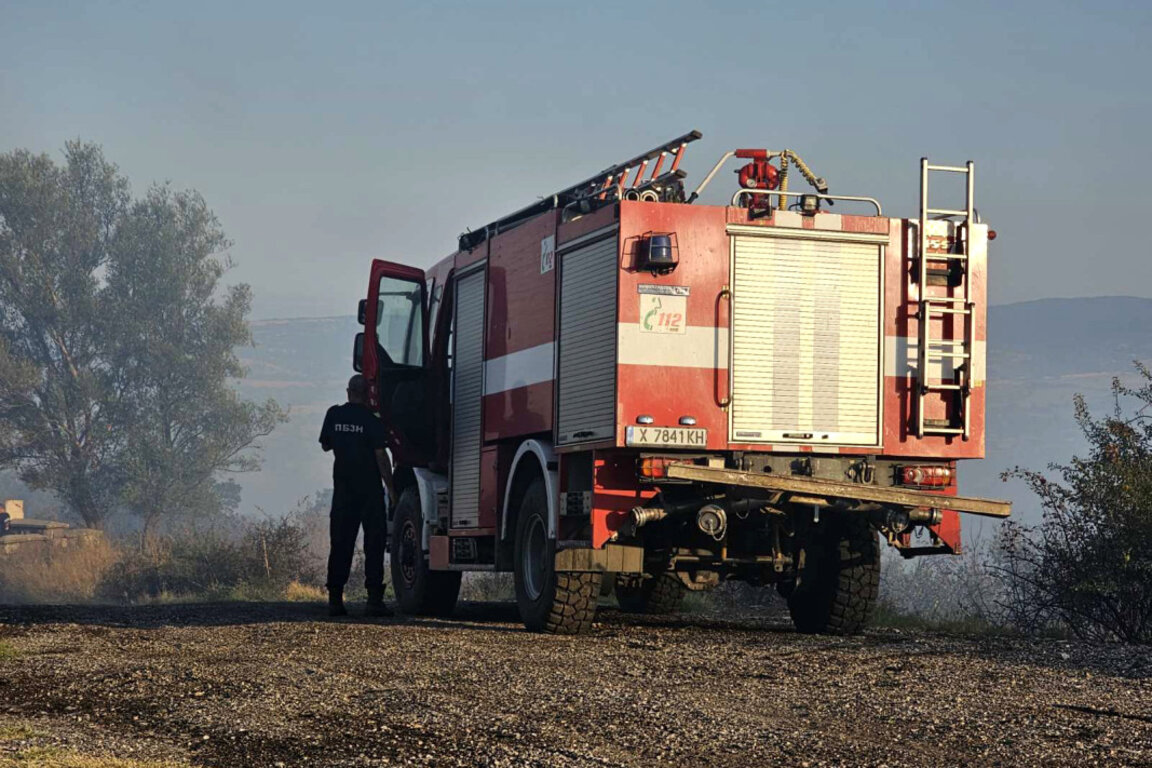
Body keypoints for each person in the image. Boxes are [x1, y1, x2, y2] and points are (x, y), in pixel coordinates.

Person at [319, 374, 396, 617]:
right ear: (367, 393)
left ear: (348, 391)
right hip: (370, 493)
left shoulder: (334, 414)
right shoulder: (372, 420)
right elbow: (381, 457)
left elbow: (326, 445)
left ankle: (335, 600)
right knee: (373, 544)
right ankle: (374, 600)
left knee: (341, 543)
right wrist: (391, 489)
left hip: (343, 491)